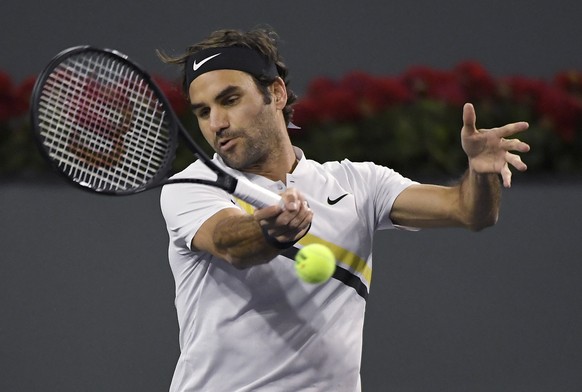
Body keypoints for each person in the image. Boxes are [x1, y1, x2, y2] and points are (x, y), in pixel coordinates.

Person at [158, 27, 530, 392]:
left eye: (230, 100)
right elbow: (229, 242)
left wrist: (481, 176)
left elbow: (469, 211)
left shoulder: (358, 184)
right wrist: (269, 232)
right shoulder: (193, 185)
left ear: (276, 93)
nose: (217, 123)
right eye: (203, 112)